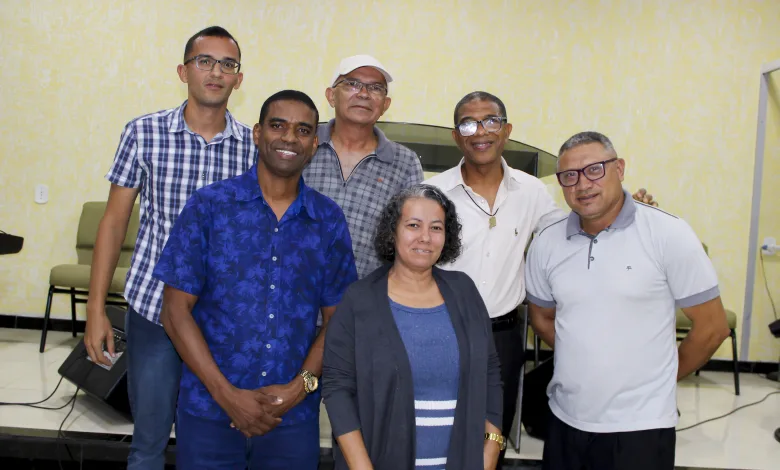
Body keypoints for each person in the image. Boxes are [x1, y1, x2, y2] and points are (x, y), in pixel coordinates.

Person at [425, 91, 657, 465]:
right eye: (468, 123)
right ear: (456, 135)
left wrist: (627, 212)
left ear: (507, 131)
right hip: (440, 331)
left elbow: (574, 233)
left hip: (501, 338)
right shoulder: (435, 193)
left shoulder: (532, 191)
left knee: (492, 436)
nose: (480, 131)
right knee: (435, 428)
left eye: (491, 121)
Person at [152, 90, 358, 469]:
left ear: (314, 143)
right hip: (209, 410)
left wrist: (299, 388)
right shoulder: (210, 206)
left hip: (291, 420)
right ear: (257, 133)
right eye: (278, 126)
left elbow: (339, 322)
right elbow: (175, 312)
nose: (288, 138)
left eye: (302, 130)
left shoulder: (327, 220)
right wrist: (227, 394)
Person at [83, 26, 255, 469]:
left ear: (239, 78)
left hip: (220, 319)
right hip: (153, 309)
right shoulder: (143, 133)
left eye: (227, 64)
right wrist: (96, 309)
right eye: (205, 61)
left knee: (215, 441)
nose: (215, 72)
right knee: (149, 442)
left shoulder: (251, 149)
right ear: (184, 71)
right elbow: (114, 222)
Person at [524, 131, 730, 470]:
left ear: (619, 168)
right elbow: (543, 318)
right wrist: (586, 361)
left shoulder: (668, 234)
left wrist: (661, 377)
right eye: (569, 176)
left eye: (594, 169)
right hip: (565, 418)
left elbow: (712, 327)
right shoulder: (547, 242)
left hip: (641, 426)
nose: (582, 184)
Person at [323, 184, 504, 470]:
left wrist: (492, 446)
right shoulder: (359, 299)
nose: (425, 238)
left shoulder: (464, 292)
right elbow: (337, 388)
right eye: (413, 225)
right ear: (392, 232)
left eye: (436, 227)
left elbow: (491, 371)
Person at [303, 54, 424, 279]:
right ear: (331, 96)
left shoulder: (404, 163)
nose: (364, 94)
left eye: (376, 88)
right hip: (291, 296)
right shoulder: (303, 143)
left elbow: (412, 238)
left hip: (364, 302)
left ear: (385, 104)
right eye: (352, 84)